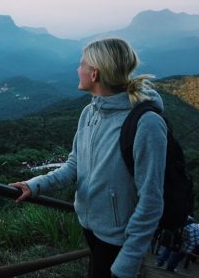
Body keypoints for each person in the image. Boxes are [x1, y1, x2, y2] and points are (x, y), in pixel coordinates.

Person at [10, 38, 167, 278]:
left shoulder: (147, 124)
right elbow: (74, 165)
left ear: (94, 74)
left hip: (119, 240)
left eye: (81, 64)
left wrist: (129, 260)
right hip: (89, 227)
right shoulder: (89, 113)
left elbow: (151, 199)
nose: (77, 69)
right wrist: (36, 185)